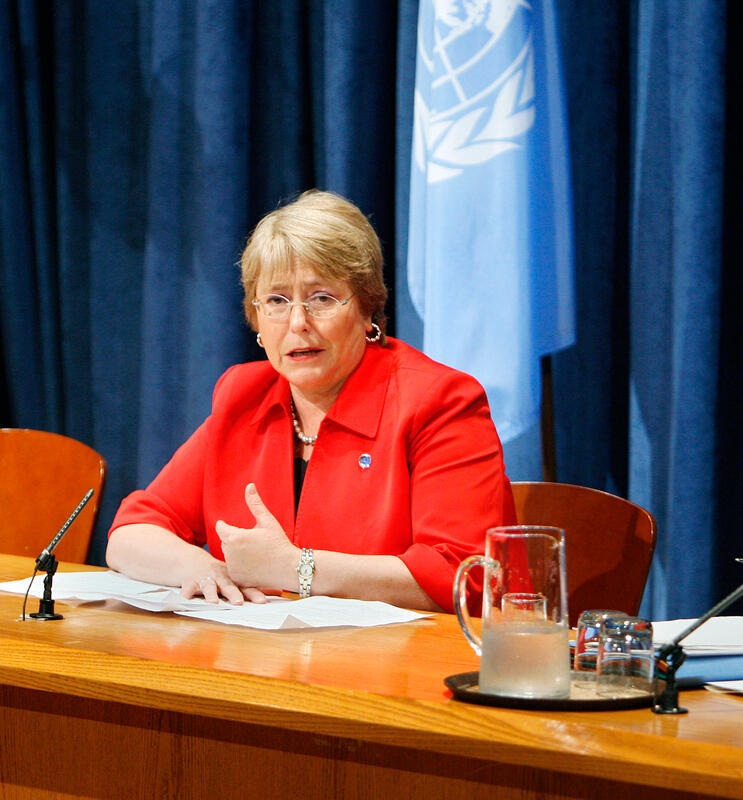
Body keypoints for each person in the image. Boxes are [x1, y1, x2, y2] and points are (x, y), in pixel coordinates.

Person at [107, 189, 514, 612]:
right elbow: (131, 532)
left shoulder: (439, 402)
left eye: (322, 298)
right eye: (277, 301)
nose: (298, 322)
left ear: (367, 308)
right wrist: (205, 568)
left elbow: (463, 575)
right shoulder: (244, 397)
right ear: (256, 317)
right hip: (260, 649)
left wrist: (294, 568)